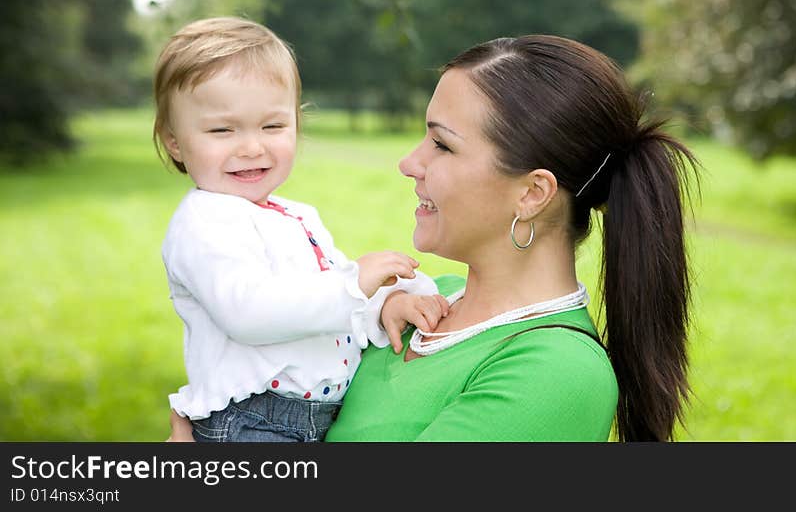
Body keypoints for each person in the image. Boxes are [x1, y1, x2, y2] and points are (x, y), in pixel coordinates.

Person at [168, 33, 699, 442]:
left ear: (532, 193)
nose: (409, 163)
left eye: (442, 146)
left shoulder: (555, 372)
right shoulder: (421, 301)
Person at [154, 16, 448, 442]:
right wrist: (353, 284)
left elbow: (324, 306)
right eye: (222, 130)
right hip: (253, 422)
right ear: (174, 140)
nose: (252, 147)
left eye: (272, 126)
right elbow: (249, 313)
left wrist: (381, 306)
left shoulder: (296, 215)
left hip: (308, 418)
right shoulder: (204, 221)